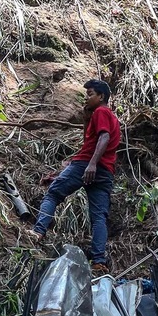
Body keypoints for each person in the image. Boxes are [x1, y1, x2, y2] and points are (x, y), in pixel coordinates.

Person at [34, 77, 122, 272]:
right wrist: (86, 120)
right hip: (105, 172)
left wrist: (91, 164)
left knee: (53, 194)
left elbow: (104, 137)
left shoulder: (101, 111)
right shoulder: (108, 117)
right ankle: (98, 261)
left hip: (88, 165)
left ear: (101, 96)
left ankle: (38, 232)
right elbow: (91, 142)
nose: (86, 98)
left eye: (90, 94)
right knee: (98, 217)